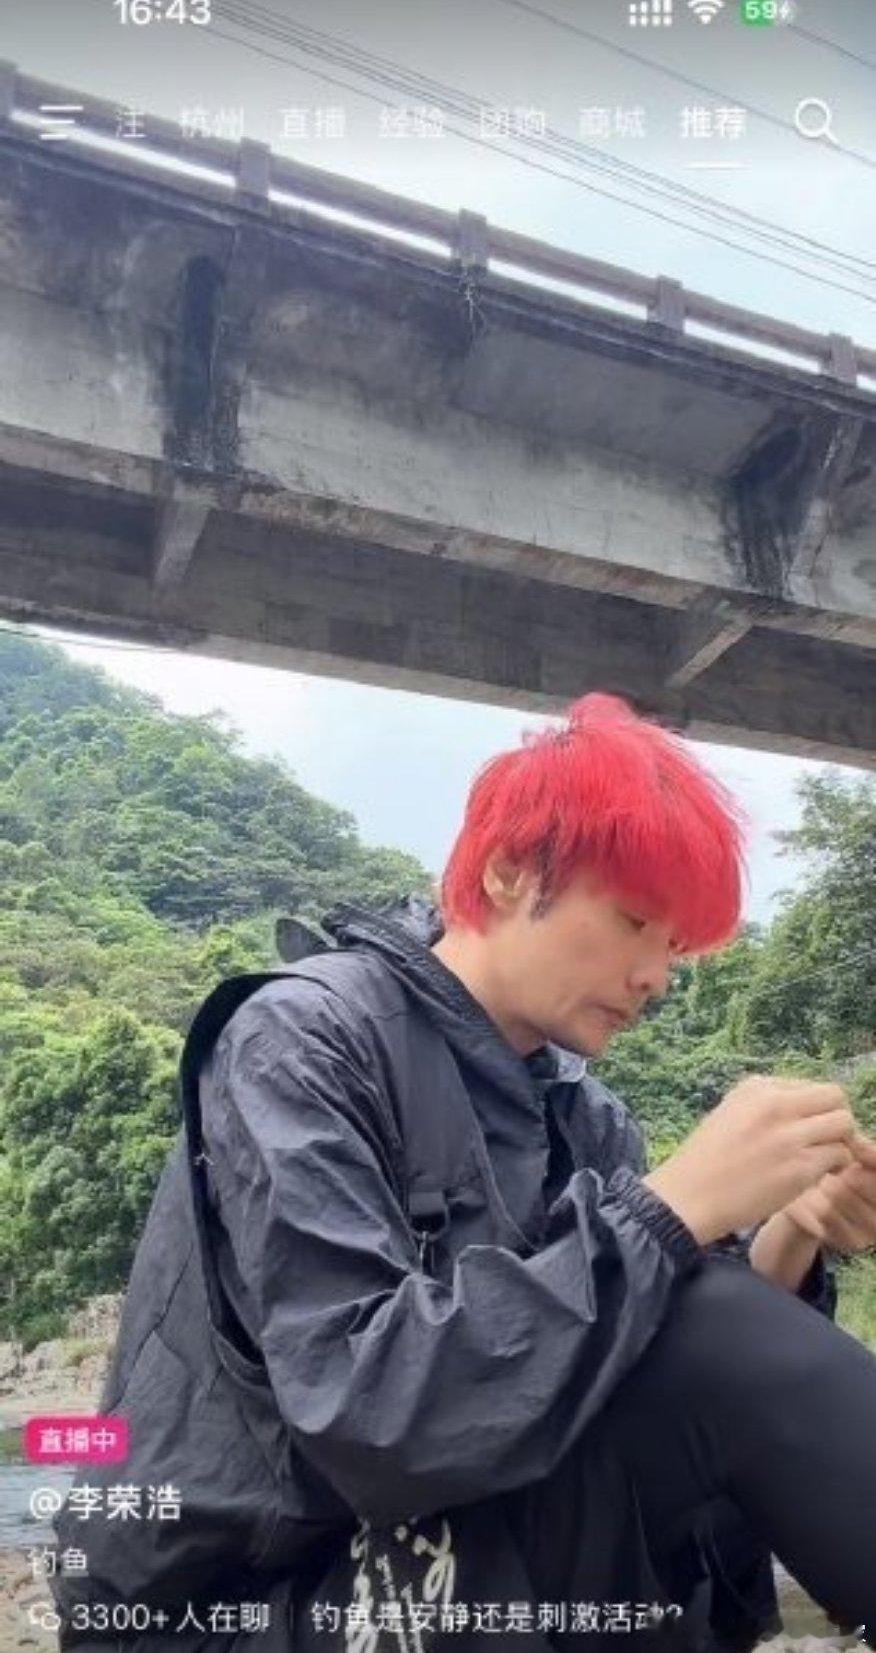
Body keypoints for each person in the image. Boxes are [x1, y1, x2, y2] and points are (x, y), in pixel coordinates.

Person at [49, 691, 876, 1653]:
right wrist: (668, 1211)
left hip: (431, 1545)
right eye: (634, 921)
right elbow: (366, 1415)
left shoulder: (587, 1117)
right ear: (509, 872)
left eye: (675, 948)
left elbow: (669, 1363)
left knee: (701, 1327)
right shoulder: (302, 1040)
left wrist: (787, 1234)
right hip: (229, 1607)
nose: (656, 976)